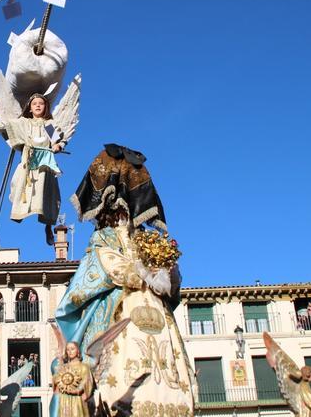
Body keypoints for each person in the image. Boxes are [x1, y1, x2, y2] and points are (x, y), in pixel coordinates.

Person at [55, 145, 194, 417]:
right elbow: (105, 266)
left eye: (127, 208)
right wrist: (141, 273)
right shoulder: (103, 238)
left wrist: (167, 274)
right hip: (120, 309)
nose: (123, 213)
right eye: (118, 208)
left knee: (163, 367)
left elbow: (172, 290)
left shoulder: (147, 241)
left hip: (155, 310)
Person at [0, 94, 68, 244]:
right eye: (35, 103)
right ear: (30, 108)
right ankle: (20, 212)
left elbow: (58, 140)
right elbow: (6, 125)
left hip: (45, 162)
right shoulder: (24, 123)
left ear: (45, 107)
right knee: (19, 184)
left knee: (47, 194)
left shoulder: (48, 125)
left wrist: (58, 146)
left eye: (41, 103)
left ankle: (48, 226)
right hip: (28, 161)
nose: (37, 106)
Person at [52, 342, 93, 417]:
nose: (70, 352)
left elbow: (86, 381)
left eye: (72, 349)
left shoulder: (83, 367)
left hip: (77, 399)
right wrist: (56, 378)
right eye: (68, 350)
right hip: (64, 399)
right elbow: (57, 381)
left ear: (78, 351)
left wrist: (77, 390)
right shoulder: (63, 367)